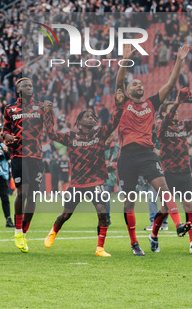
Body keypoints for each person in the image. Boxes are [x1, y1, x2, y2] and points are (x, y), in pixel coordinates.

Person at [115, 44, 192, 256]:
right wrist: (124, 59)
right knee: (129, 200)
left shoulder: (151, 103)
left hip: (148, 154)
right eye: (135, 84)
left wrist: (178, 61)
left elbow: (171, 83)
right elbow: (119, 81)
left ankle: (177, 225)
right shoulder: (122, 102)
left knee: (164, 189)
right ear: (128, 91)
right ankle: (134, 243)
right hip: (127, 156)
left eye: (141, 84)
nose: (139, 85)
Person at [43, 89, 125, 257]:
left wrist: (119, 103)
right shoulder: (71, 137)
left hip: (96, 181)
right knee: (66, 214)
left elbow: (116, 120)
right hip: (77, 184)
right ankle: (53, 231)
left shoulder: (100, 134)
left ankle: (100, 248)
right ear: (79, 122)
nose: (92, 118)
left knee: (102, 213)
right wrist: (48, 113)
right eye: (88, 116)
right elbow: (51, 134)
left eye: (93, 116)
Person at [152, 82, 192, 255]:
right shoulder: (160, 126)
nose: (176, 112)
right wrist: (177, 102)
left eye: (177, 110)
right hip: (167, 173)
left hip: (185, 172)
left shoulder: (183, 125)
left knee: (189, 206)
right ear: (164, 113)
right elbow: (166, 120)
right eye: (173, 110)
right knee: (164, 209)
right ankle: (153, 235)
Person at [3, 77, 51, 253]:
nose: (29, 87)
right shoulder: (10, 109)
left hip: (36, 156)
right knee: (22, 192)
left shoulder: (40, 108)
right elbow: (5, 131)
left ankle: (24, 231)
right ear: (18, 89)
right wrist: (6, 137)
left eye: (31, 85)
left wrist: (49, 112)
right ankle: (17, 231)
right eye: (25, 85)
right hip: (18, 154)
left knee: (33, 196)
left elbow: (50, 128)